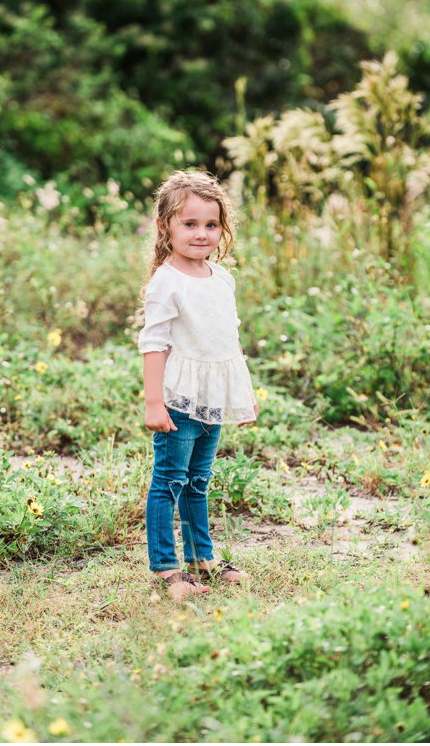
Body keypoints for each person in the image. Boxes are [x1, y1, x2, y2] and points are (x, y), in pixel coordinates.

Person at [138, 169, 258, 601]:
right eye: (189, 224)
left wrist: (243, 396)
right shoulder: (167, 282)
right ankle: (166, 570)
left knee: (198, 480)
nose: (202, 234)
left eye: (211, 225)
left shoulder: (221, 278)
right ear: (165, 226)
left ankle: (201, 560)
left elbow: (229, 338)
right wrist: (155, 403)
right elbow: (153, 345)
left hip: (213, 400)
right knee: (169, 480)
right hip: (179, 400)